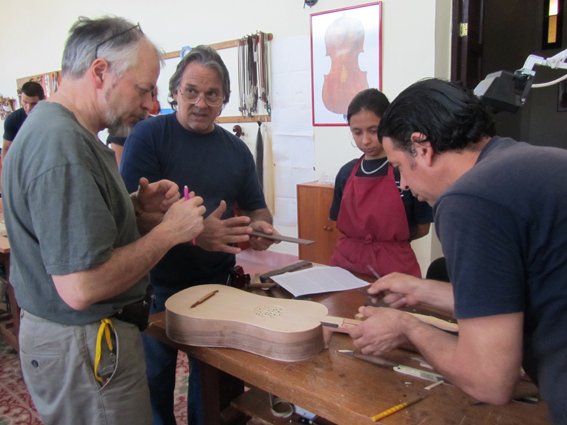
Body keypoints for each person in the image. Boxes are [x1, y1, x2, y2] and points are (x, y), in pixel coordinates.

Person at [1, 16, 206, 425]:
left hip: (83, 345)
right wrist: (169, 232)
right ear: (100, 72)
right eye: (144, 89)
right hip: (84, 346)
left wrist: (133, 209)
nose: (150, 105)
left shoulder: (64, 131)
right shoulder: (62, 146)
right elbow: (82, 285)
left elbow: (69, 231)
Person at [349, 78, 567, 424]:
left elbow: (489, 381)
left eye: (399, 168)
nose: (403, 184)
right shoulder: (527, 162)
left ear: (421, 147)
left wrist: (408, 327)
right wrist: (422, 290)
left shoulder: (469, 199)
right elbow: (519, 296)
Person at [120, 45, 278, 425]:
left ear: (224, 99)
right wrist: (195, 233)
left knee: (216, 389)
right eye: (191, 91)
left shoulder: (237, 151)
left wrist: (260, 228)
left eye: (212, 94)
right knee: (153, 386)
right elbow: (130, 217)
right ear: (174, 91)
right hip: (155, 288)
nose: (201, 102)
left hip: (218, 288)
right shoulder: (148, 136)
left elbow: (258, 208)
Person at [329, 88, 432, 277]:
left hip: (395, 269)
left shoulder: (407, 171)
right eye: (357, 132)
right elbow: (337, 221)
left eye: (373, 131)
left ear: (388, 125)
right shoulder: (345, 174)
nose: (365, 140)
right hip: (346, 267)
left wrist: (387, 244)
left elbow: (422, 228)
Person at [2, 80, 45, 164]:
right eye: (25, 102)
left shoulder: (51, 117)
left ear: (42, 101)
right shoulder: (12, 120)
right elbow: (6, 149)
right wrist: (7, 174)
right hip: (24, 165)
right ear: (21, 98)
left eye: (33, 104)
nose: (28, 108)